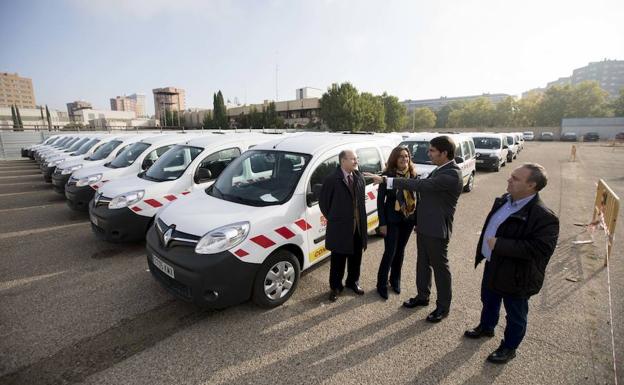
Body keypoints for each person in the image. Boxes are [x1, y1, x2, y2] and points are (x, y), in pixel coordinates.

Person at [464, 163, 559, 364]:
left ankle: (509, 347)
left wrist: (501, 244)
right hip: (493, 264)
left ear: (532, 185)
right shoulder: (504, 200)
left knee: (515, 314)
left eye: (516, 178)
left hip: (517, 275)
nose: (509, 180)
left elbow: (541, 249)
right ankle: (487, 327)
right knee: (488, 299)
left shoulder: (544, 216)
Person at [365, 135, 462, 322]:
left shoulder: (451, 173)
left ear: (444, 153)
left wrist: (387, 180)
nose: (429, 153)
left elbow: (421, 186)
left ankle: (443, 307)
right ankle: (422, 296)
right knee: (422, 264)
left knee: (440, 269)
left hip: (436, 229)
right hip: (424, 227)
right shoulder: (439, 169)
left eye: (432, 150)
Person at [319, 149, 368, 302]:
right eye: (352, 159)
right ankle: (335, 287)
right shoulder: (332, 179)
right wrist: (337, 219)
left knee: (356, 257)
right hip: (340, 228)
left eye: (356, 158)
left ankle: (353, 282)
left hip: (358, 228)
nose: (356, 161)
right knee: (338, 260)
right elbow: (324, 204)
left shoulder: (359, 177)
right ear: (343, 161)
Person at [376, 146, 417, 300]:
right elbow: (380, 202)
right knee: (390, 252)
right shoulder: (387, 176)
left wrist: (417, 221)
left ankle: (395, 280)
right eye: (400, 156)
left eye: (406, 156)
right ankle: (381, 284)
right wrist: (382, 223)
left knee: (400, 251)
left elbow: (417, 198)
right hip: (391, 220)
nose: (404, 159)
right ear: (394, 158)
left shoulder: (413, 174)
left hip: (408, 219)